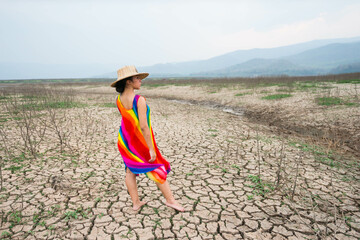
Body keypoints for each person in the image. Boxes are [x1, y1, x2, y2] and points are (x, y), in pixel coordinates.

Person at [111, 65, 184, 212]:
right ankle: (170, 200)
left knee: (130, 171)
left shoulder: (118, 99)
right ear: (128, 82)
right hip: (139, 142)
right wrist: (151, 148)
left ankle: (136, 203)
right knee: (156, 167)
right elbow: (143, 127)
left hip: (125, 141)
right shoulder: (139, 100)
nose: (140, 80)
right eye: (137, 78)